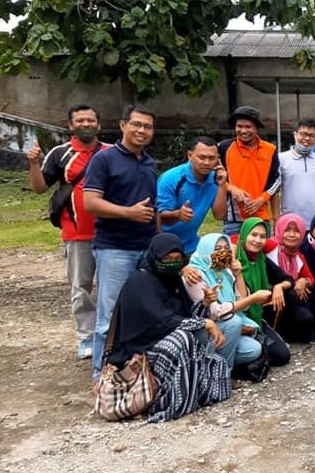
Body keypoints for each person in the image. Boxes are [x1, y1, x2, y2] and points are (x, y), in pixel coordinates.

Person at [106, 234, 230, 423]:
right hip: (142, 347)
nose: (172, 263)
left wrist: (204, 303)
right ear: (155, 257)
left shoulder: (173, 280)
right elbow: (162, 320)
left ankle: (191, 396)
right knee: (183, 339)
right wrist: (206, 323)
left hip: (168, 339)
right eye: (167, 259)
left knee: (217, 362)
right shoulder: (140, 281)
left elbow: (185, 316)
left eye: (177, 259)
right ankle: (171, 403)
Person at [83, 104, 158, 379]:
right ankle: (100, 376)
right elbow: (90, 202)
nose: (142, 130)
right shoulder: (104, 160)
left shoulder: (149, 164)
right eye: (136, 124)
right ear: (123, 125)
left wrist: (157, 242)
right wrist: (128, 213)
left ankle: (135, 372)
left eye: (147, 126)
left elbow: (153, 209)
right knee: (109, 315)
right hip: (114, 248)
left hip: (146, 247)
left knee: (143, 311)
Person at [25, 104, 106, 359]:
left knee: (112, 287)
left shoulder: (111, 152)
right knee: (81, 287)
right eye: (80, 120)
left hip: (110, 233)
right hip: (77, 232)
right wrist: (34, 163)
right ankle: (87, 337)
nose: (85, 124)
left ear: (98, 124)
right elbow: (40, 188)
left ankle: (111, 334)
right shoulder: (61, 153)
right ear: (71, 125)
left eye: (90, 120)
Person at [184, 234, 268, 370]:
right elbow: (215, 312)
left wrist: (238, 274)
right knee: (234, 322)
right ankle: (223, 371)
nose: (223, 253)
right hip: (204, 328)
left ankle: (211, 363)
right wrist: (252, 299)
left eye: (226, 248)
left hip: (225, 326)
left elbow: (244, 305)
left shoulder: (224, 271)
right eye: (217, 249)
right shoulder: (195, 275)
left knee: (253, 349)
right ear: (206, 250)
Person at [234, 217, 306, 364]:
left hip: (256, 316)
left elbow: (288, 279)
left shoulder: (260, 259)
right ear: (244, 235)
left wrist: (279, 287)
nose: (257, 240)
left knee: (282, 356)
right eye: (253, 235)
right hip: (236, 317)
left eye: (262, 236)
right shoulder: (233, 259)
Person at [157, 136, 228, 254]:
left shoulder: (216, 179)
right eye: (202, 157)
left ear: (218, 159)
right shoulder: (171, 178)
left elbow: (219, 215)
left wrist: (222, 185)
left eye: (212, 158)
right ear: (190, 156)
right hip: (165, 245)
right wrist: (178, 214)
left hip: (191, 244)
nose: (206, 163)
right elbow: (159, 217)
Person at [218, 106, 280, 235]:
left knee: (260, 248)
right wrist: (231, 188)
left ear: (257, 128)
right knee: (233, 248)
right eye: (239, 126)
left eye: (248, 127)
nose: (243, 130)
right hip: (233, 219)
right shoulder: (224, 148)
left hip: (261, 217)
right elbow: (214, 175)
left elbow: (277, 180)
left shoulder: (270, 150)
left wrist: (262, 199)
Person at [278, 118, 315, 223]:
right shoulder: (281, 159)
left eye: (311, 136)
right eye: (303, 134)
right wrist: (277, 218)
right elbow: (275, 192)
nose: (307, 138)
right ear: (295, 135)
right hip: (290, 221)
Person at [264, 214, 315, 322]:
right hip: (266, 296)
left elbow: (311, 279)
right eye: (287, 230)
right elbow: (240, 240)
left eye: (297, 231)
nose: (292, 235)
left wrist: (303, 281)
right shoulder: (270, 246)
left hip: (287, 300)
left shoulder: (298, 256)